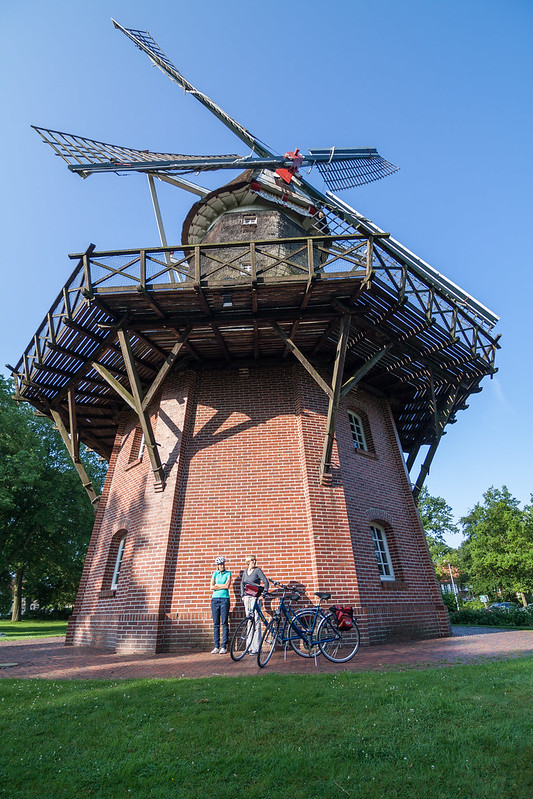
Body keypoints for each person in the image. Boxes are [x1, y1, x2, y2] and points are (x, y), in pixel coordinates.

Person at [240, 555, 269, 654]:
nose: (254, 562)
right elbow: (242, 583)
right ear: (248, 562)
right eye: (252, 560)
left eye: (255, 560)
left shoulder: (258, 571)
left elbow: (265, 582)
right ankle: (249, 646)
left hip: (255, 598)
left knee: (256, 621)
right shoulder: (245, 571)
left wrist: (263, 594)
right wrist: (242, 595)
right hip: (247, 598)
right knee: (249, 620)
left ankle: (256, 647)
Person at [210, 556, 232, 654]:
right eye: (220, 564)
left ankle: (224, 646)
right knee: (216, 623)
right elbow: (211, 586)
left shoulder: (228, 573)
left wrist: (217, 586)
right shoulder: (215, 574)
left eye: (223, 564)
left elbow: (227, 586)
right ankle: (216, 646)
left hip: (224, 599)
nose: (222, 566)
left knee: (224, 622)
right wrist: (221, 586)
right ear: (217, 566)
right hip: (214, 600)